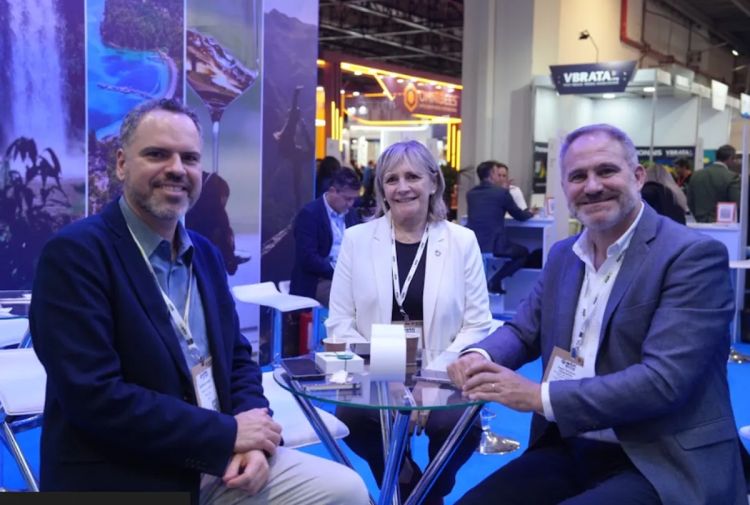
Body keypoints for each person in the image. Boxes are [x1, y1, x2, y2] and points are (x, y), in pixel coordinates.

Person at [29, 98, 368, 505]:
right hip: (127, 469)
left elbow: (239, 359)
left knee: (346, 489)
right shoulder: (76, 255)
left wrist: (255, 443)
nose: (176, 168)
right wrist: (227, 436)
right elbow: (95, 398)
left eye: (189, 158)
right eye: (157, 154)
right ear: (121, 164)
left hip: (217, 459)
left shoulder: (204, 254)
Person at [448, 123, 746, 505]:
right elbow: (523, 330)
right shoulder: (564, 255)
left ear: (637, 176)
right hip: (573, 444)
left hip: (661, 458)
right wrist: (479, 356)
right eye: (577, 176)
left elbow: (662, 382)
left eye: (606, 171)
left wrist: (539, 397)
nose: (592, 187)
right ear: (565, 187)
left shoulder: (690, 256)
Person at [326, 140, 491, 505]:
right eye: (391, 179)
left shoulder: (462, 241)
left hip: (443, 367)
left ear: (433, 182)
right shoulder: (357, 239)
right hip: (375, 368)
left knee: (459, 428)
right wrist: (388, 376)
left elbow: (478, 324)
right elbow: (339, 322)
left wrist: (430, 378)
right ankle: (406, 479)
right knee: (353, 419)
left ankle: (430, 489)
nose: (402, 187)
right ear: (381, 189)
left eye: (412, 176)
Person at [290, 167, 361, 306]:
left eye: (354, 199)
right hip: (317, 280)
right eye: (347, 199)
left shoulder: (351, 214)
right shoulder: (309, 214)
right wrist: (339, 272)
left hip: (347, 277)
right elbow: (308, 258)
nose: (351, 204)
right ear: (333, 191)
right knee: (353, 302)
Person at [466, 160, 534, 292]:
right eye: (498, 174)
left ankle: (490, 284)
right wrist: (530, 213)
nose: (500, 177)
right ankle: (495, 281)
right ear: (492, 174)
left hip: (474, 244)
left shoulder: (471, 194)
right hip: (495, 245)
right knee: (523, 253)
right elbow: (519, 216)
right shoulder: (501, 193)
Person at [687, 144, 740, 222]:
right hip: (723, 224)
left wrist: (699, 217)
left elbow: (690, 201)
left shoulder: (696, 175)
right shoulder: (732, 177)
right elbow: (736, 204)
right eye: (735, 159)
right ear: (730, 158)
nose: (735, 162)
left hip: (700, 222)